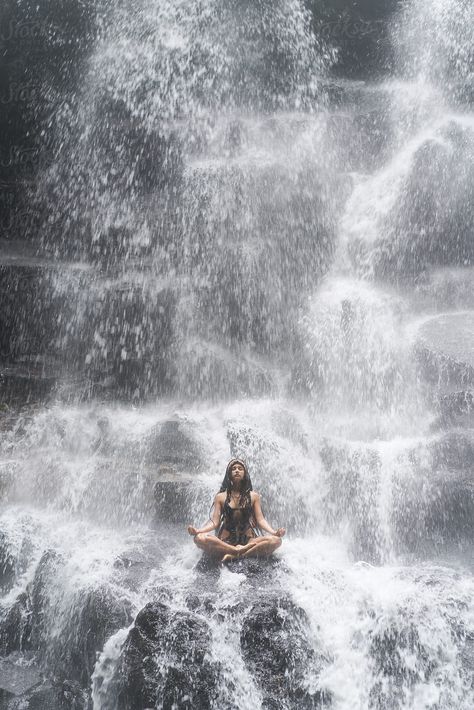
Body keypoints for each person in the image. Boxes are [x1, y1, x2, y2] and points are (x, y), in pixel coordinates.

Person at [187, 458, 286, 563]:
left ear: (245, 474)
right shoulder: (220, 497)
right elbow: (215, 522)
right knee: (199, 538)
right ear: (229, 474)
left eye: (240, 468)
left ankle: (237, 554)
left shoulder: (254, 496)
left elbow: (260, 520)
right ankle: (236, 551)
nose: (237, 470)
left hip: (249, 540)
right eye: (233, 469)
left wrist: (274, 532)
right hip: (225, 541)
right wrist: (198, 531)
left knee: (276, 540)